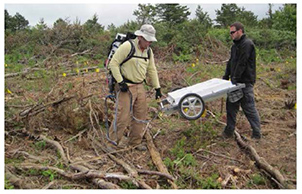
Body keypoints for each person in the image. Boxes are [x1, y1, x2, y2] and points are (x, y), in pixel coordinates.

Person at [107, 24, 162, 151]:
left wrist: (157, 88)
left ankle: (135, 142)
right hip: (126, 86)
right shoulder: (128, 46)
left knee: (140, 115)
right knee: (122, 116)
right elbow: (113, 64)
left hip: (139, 86)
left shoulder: (148, 51)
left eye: (150, 41)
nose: (148, 43)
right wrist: (121, 82)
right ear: (140, 37)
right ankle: (112, 143)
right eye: (147, 40)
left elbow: (152, 69)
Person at [222, 22, 261, 139]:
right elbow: (231, 62)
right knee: (231, 107)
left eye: (233, 32)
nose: (231, 35)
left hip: (244, 83)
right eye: (230, 33)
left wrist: (235, 78)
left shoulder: (247, 44)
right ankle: (228, 132)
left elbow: (242, 63)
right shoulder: (234, 46)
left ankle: (257, 133)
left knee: (248, 108)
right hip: (235, 83)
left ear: (240, 31)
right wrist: (226, 76)